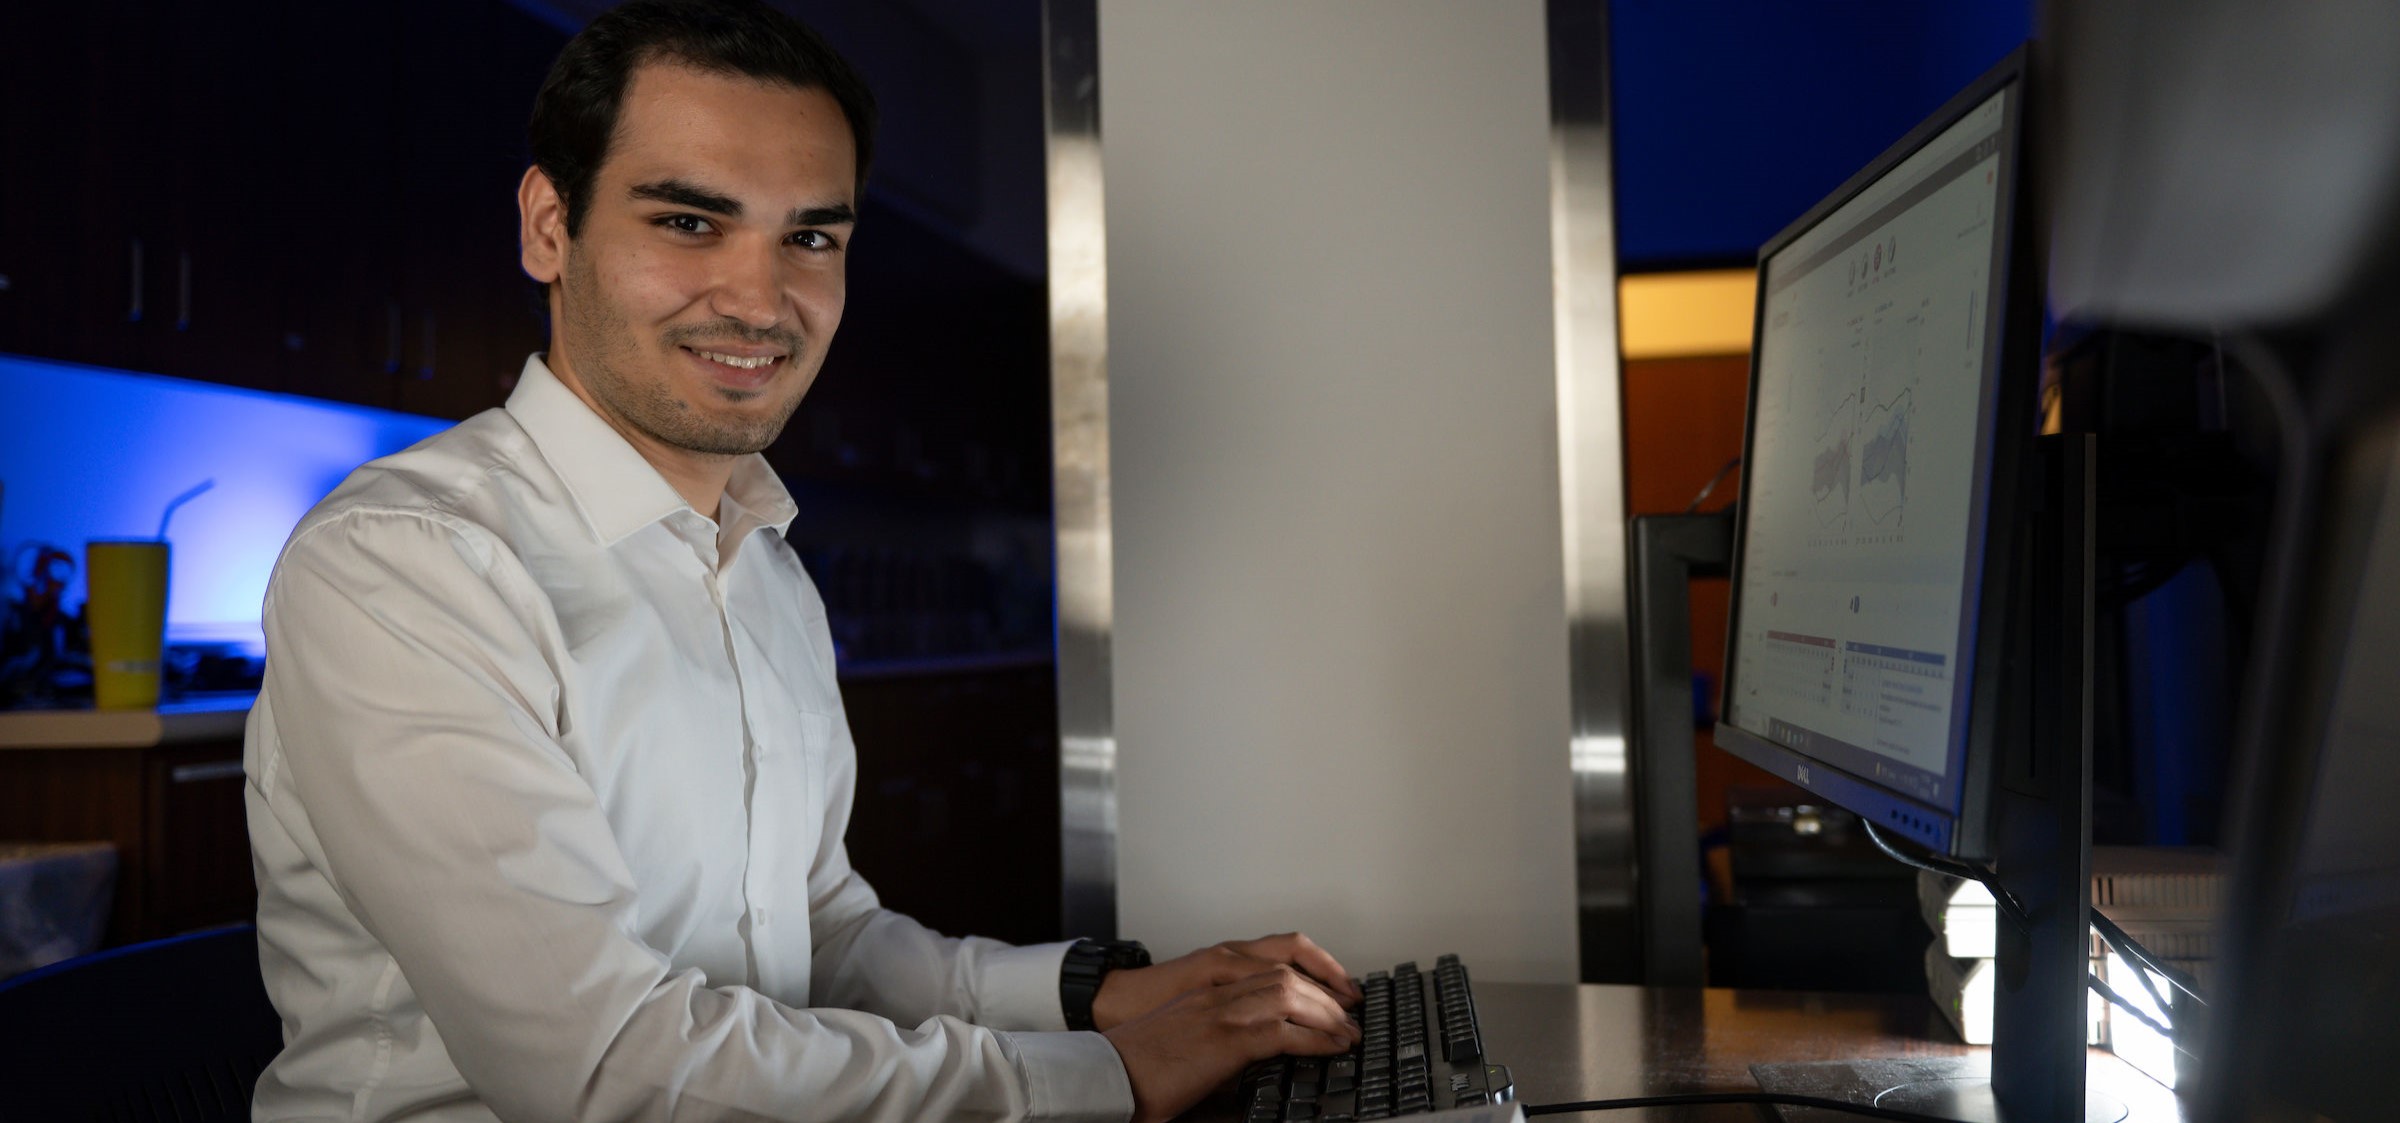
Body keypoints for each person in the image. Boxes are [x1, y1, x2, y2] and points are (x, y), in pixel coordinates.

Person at [242, 2, 1362, 1120]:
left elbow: (816, 934)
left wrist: (1100, 997)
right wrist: (1110, 1077)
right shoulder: (408, 565)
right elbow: (597, 1065)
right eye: (688, 222)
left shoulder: (766, 570)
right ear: (549, 225)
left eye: (811, 237)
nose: (760, 298)